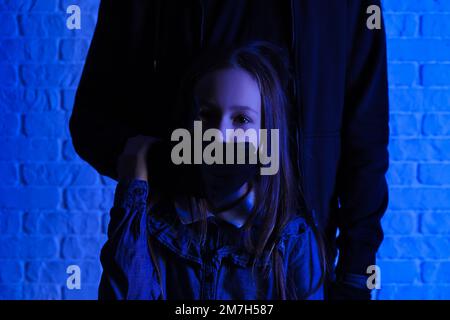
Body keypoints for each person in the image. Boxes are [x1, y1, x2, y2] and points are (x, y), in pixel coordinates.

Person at [70, 0, 389, 300]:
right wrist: (157, 179)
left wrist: (356, 271)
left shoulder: (298, 242)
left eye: (239, 120)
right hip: (175, 248)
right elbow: (93, 121)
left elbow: (366, 135)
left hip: (297, 250)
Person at [98, 42, 325, 300]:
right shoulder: (153, 224)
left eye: (241, 119)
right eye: (207, 115)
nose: (220, 135)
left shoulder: (292, 238)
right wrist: (133, 187)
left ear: (266, 133)